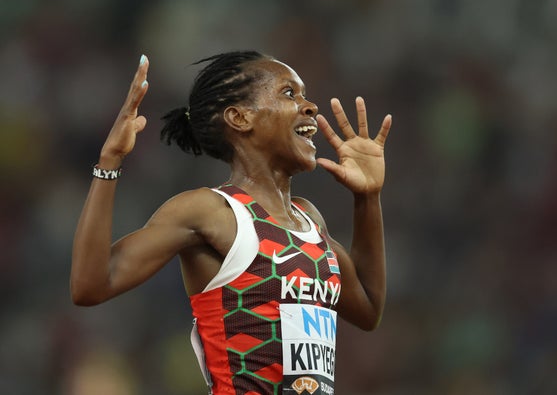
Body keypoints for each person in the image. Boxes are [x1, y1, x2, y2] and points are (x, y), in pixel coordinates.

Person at [70, 50, 391, 395]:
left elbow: (368, 309)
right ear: (240, 118)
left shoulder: (309, 220)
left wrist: (368, 198)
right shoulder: (211, 211)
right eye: (289, 93)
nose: (310, 106)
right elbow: (91, 284)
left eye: (303, 94)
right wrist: (110, 160)